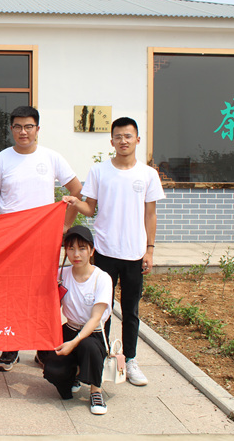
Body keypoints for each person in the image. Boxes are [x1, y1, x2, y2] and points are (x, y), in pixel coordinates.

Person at [63, 116, 165, 386]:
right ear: (111, 141)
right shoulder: (99, 171)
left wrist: (149, 250)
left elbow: (151, 215)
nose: (123, 141)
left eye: (128, 136)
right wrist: (74, 201)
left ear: (137, 140)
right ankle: (100, 358)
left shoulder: (148, 174)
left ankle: (130, 360)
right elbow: (90, 209)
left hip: (134, 254)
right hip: (105, 253)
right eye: (118, 137)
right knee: (102, 310)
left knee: (131, 311)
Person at [0, 105, 83, 372]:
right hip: (11, 241)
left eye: (28, 126)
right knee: (11, 293)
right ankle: (11, 348)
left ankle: (43, 348)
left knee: (44, 294)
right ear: (11, 129)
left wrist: (65, 224)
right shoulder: (1, 160)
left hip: (44, 239)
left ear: (37, 129)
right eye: (18, 126)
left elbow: (76, 190)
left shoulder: (51, 158)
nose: (23, 132)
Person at [42, 225, 112, 415]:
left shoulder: (102, 278)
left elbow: (96, 318)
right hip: (70, 329)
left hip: (93, 333)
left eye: (82, 248)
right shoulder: (62, 274)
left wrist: (74, 342)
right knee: (53, 371)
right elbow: (52, 306)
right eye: (71, 248)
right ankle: (73, 374)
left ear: (92, 250)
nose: (76, 254)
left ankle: (96, 391)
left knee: (88, 347)